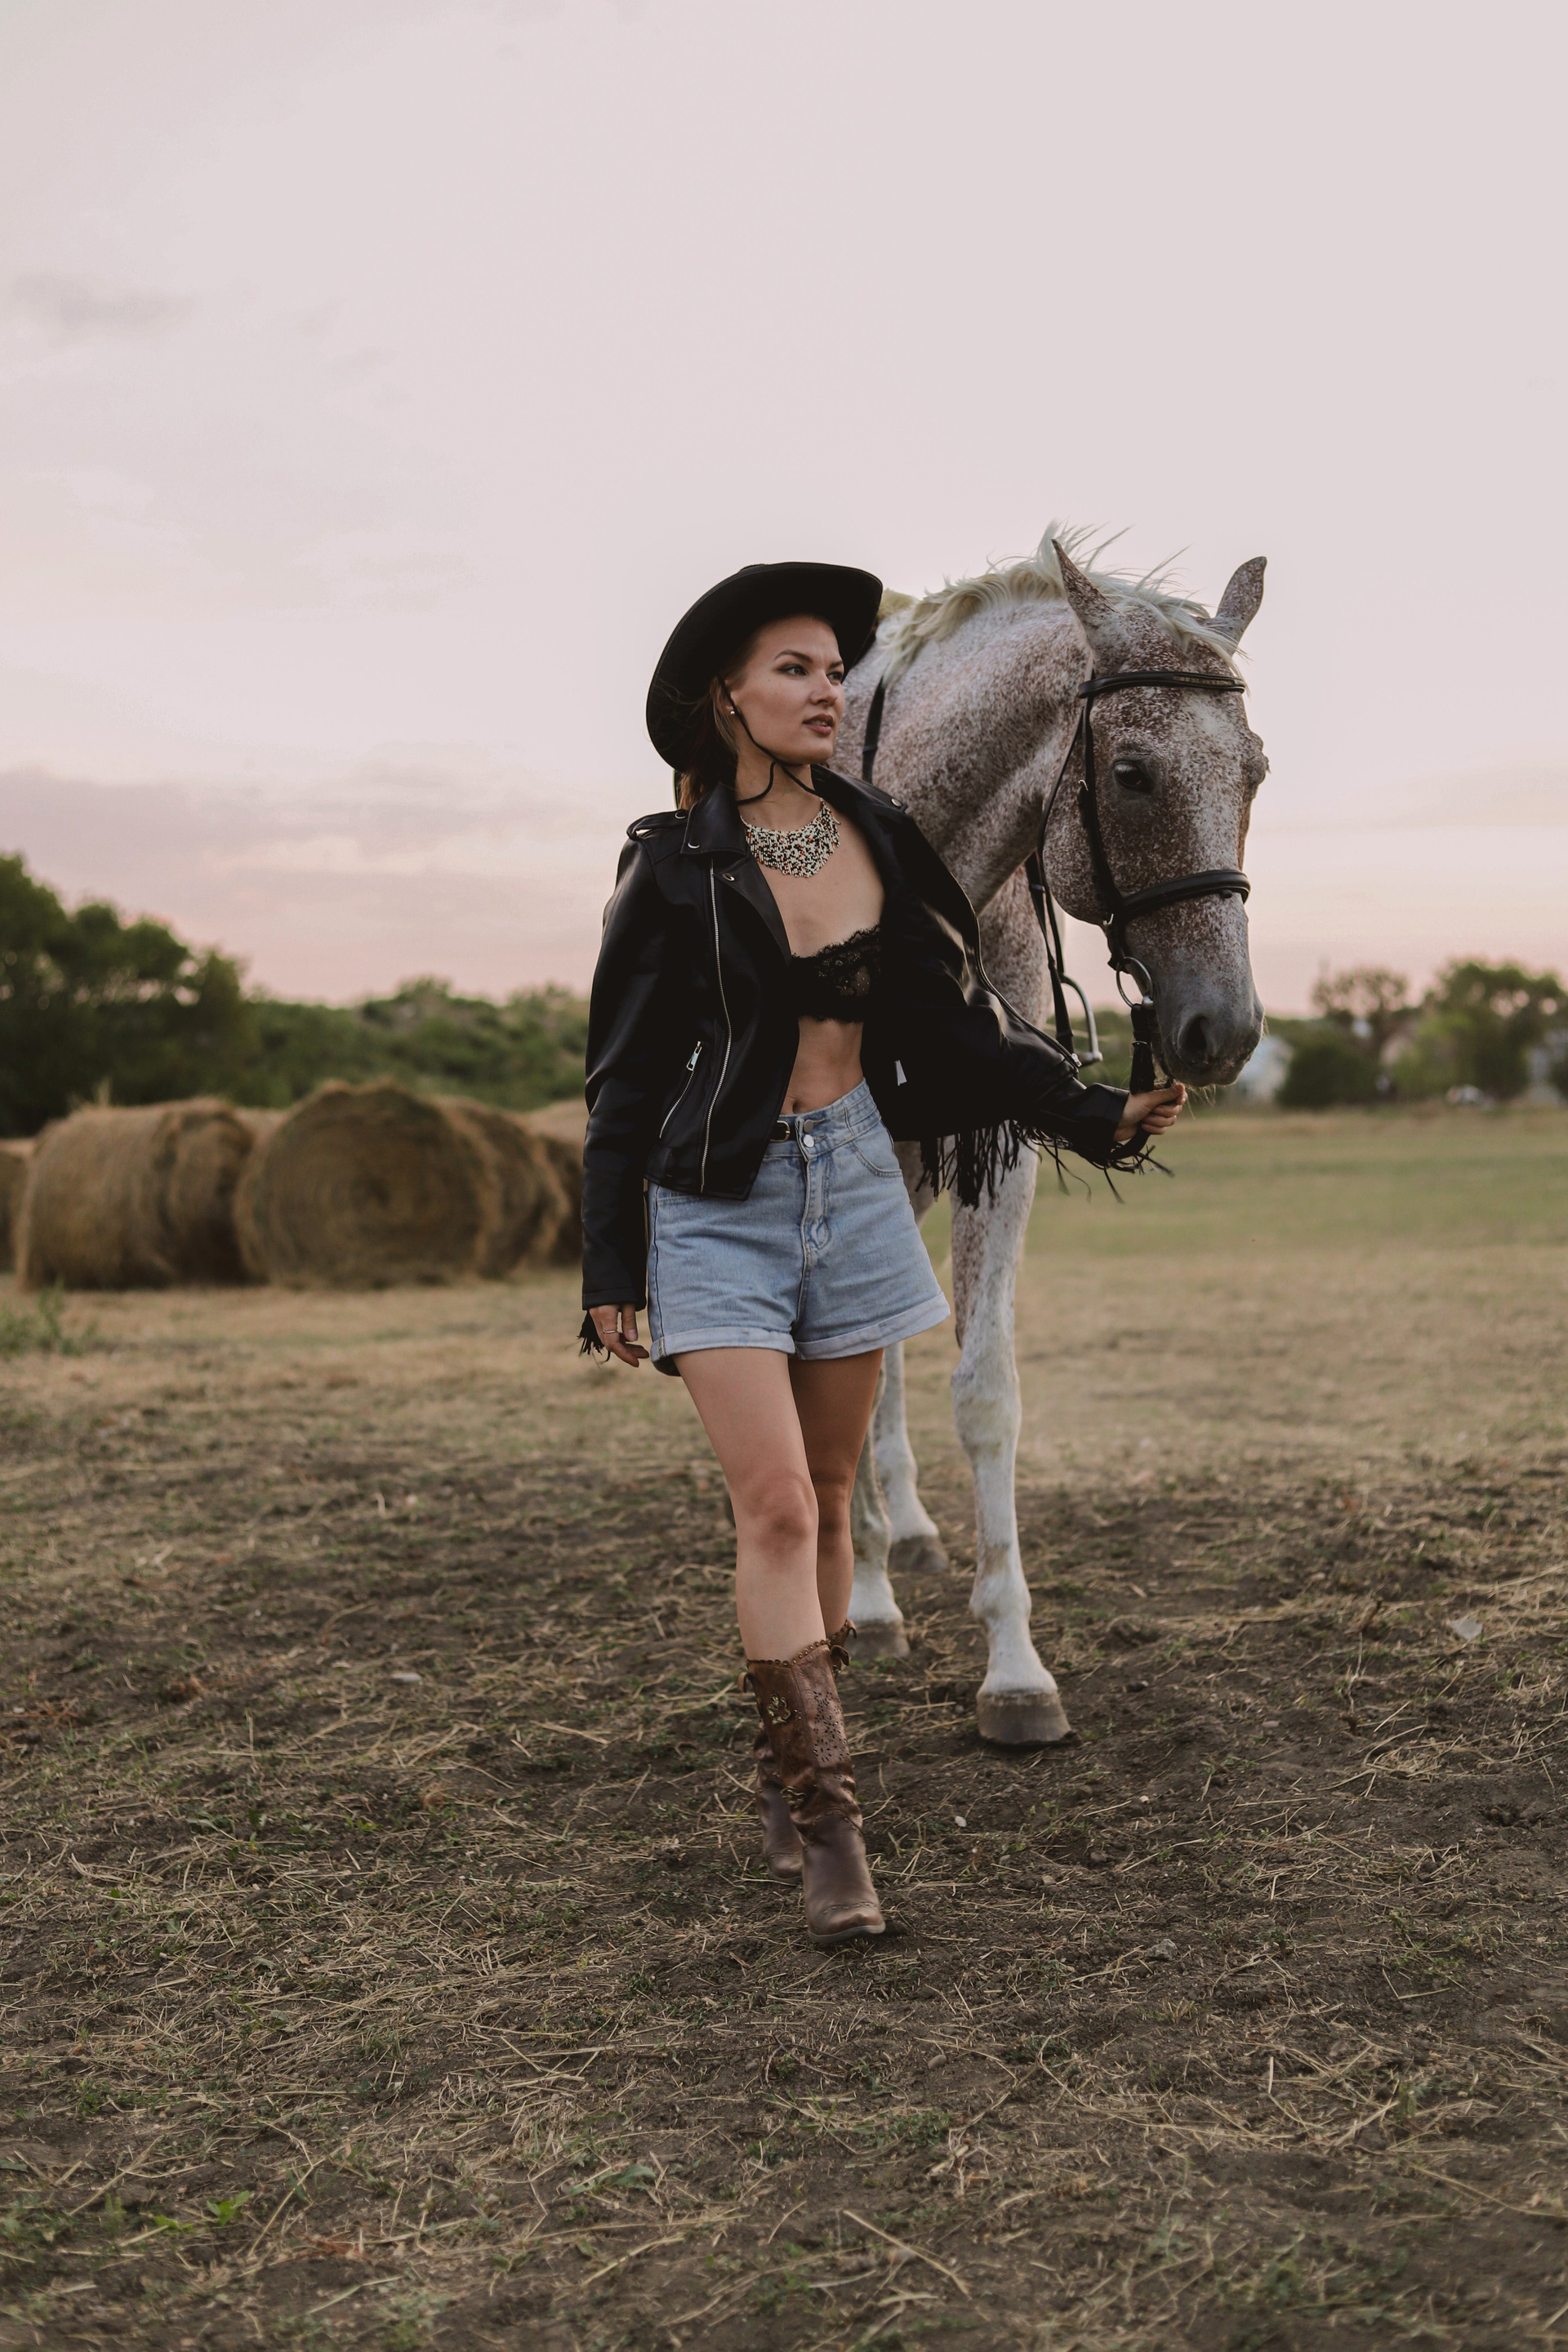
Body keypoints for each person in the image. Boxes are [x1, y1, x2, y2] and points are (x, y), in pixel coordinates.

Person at [580, 563, 1185, 1945]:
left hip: (856, 1187)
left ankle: (790, 1765)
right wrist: (611, 1267)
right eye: (792, 669)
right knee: (779, 1508)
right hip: (716, 1201)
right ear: (727, 696)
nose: (825, 691)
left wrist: (1094, 1113)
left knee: (836, 1489)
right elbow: (620, 1081)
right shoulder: (669, 866)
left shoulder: (878, 836)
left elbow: (957, 1023)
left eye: (833, 670)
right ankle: (833, 1827)